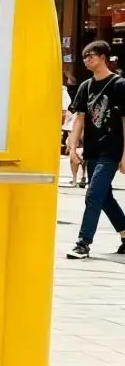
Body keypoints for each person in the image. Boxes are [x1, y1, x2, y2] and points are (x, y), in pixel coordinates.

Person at [66, 40, 125, 260]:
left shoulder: (119, 85)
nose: (86, 60)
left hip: (111, 150)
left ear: (102, 57)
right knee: (104, 196)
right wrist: (72, 147)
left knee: (93, 195)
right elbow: (79, 118)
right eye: (84, 57)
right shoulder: (86, 86)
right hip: (92, 150)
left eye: (90, 56)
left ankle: (83, 243)